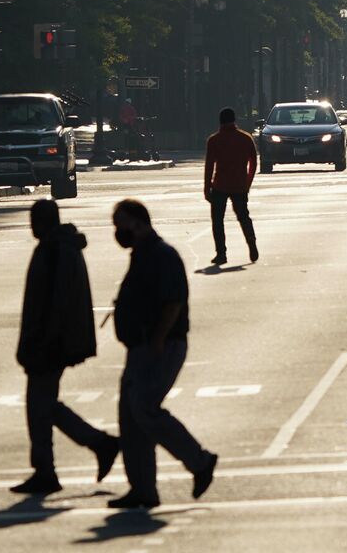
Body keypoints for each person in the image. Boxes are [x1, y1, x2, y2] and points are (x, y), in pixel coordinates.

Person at [109, 199, 218, 510]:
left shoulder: (162, 255)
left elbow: (173, 302)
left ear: (139, 223)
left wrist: (157, 339)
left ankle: (199, 461)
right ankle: (143, 489)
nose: (118, 232)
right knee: (130, 418)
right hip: (139, 347)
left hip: (162, 345)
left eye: (122, 224)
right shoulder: (142, 254)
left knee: (144, 408)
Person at [12, 199, 119, 497]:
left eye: (36, 220)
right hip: (53, 341)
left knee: (39, 406)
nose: (32, 226)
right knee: (45, 405)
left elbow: (54, 303)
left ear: (46, 222)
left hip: (50, 343)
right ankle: (96, 446)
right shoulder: (60, 247)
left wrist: (43, 341)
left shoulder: (54, 251)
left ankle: (51, 468)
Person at [203, 107, 259, 266]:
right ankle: (251, 243)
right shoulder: (246, 138)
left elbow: (209, 167)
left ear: (220, 121)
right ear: (235, 120)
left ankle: (221, 253)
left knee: (217, 220)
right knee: (243, 217)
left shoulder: (214, 140)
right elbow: (253, 163)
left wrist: (207, 188)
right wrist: (247, 183)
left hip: (220, 185)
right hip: (240, 184)